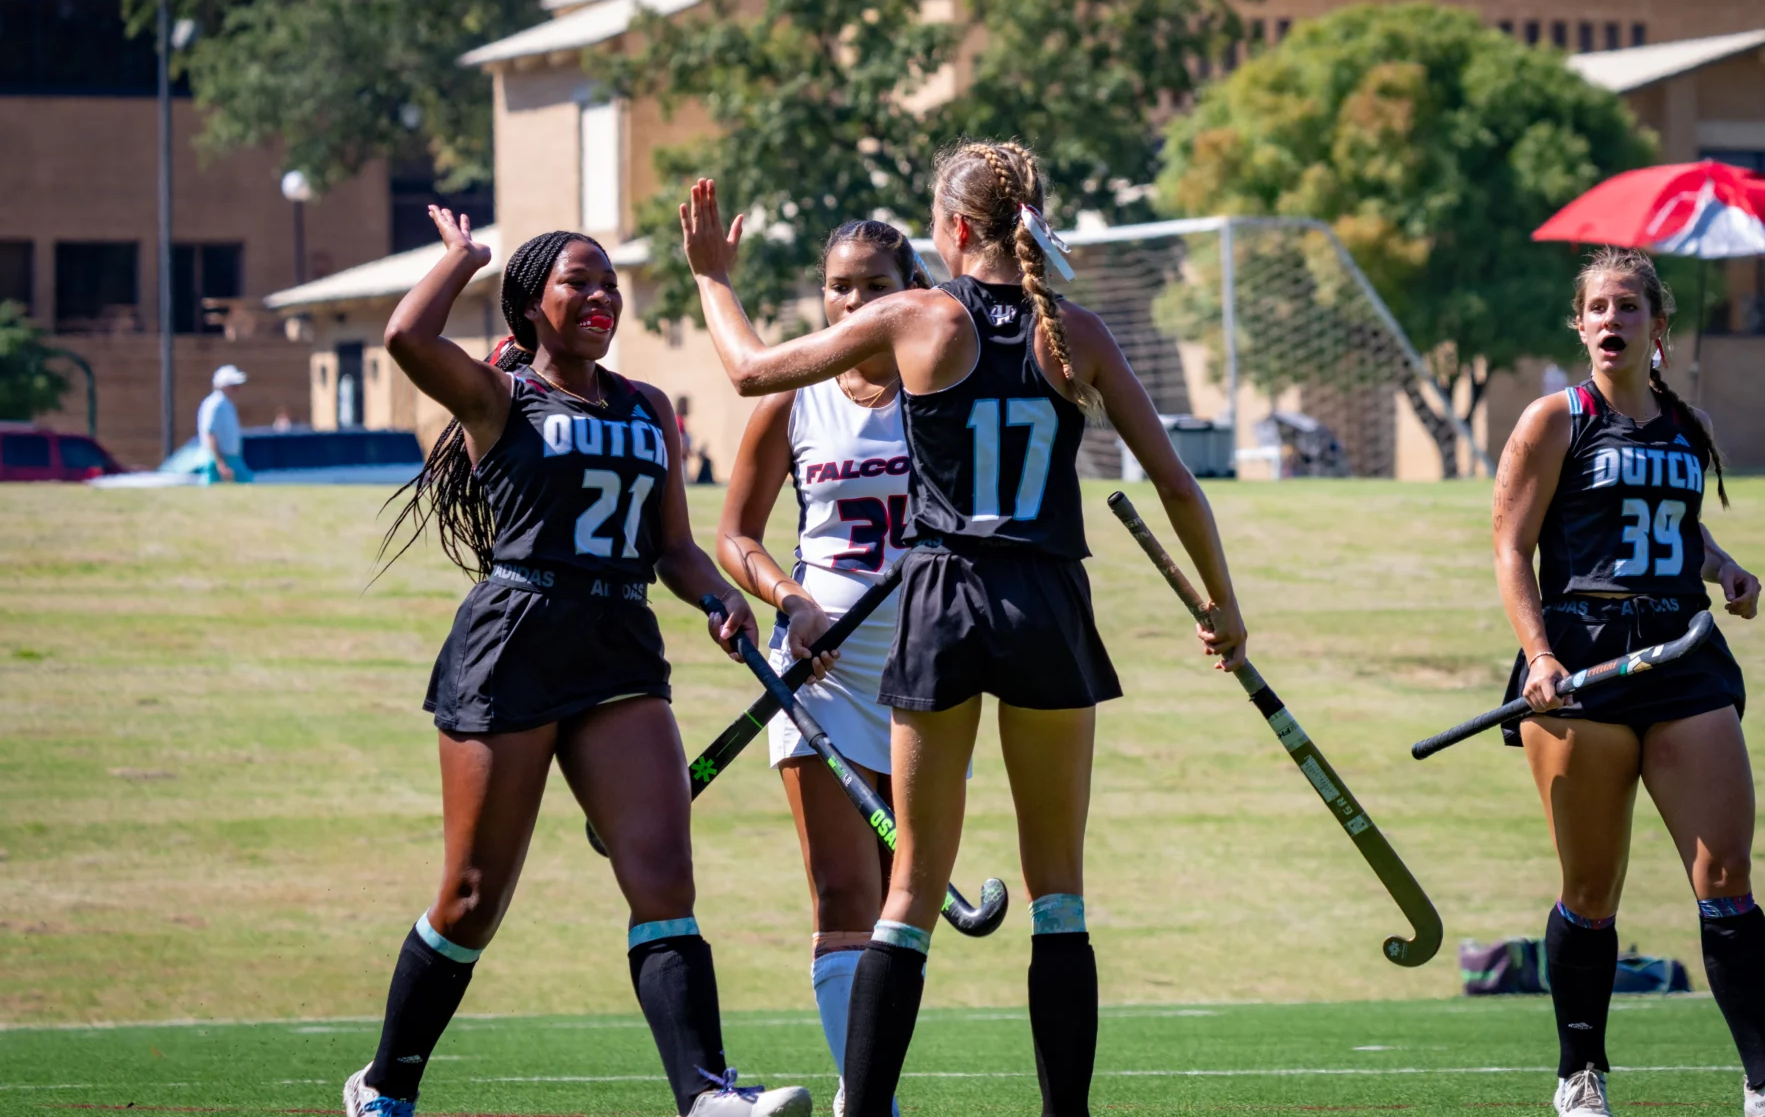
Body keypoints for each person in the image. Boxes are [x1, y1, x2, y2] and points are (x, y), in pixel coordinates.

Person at [677, 141, 1248, 1117]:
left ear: (951, 230)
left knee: (908, 894)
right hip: (1047, 600)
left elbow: (744, 372)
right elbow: (1176, 481)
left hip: (940, 599)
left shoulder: (915, 316)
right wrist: (1221, 604)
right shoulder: (1080, 333)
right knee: (1057, 889)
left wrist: (712, 281)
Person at [345, 207, 810, 1117]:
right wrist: (467, 260)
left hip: (618, 648)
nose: (602, 297)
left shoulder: (647, 408)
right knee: (473, 897)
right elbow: (405, 336)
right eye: (578, 283)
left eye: (610, 284)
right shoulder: (497, 397)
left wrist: (719, 597)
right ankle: (385, 1087)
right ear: (529, 307)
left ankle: (708, 1094)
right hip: (515, 640)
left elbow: (672, 545)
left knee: (663, 874)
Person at [1493, 247, 1765, 1117]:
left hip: (1682, 653)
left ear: (1658, 325)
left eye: (1628, 307)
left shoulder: (1688, 425)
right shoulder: (1554, 419)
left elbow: (1678, 533)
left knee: (1725, 870)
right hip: (1582, 661)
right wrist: (1539, 657)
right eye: (1597, 308)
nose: (1612, 320)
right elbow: (1510, 550)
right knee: (1591, 888)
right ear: (1580, 325)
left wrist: (1727, 569)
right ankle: (1581, 1076)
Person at [715, 219, 928, 1116]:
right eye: (838, 286)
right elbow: (734, 534)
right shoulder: (795, 394)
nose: (852, 302)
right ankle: (862, 1102)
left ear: (911, 286)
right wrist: (786, 599)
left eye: (873, 284)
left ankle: (864, 1089)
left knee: (896, 905)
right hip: (820, 677)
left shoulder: (940, 384)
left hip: (923, 674)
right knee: (844, 892)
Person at [196, 364, 253, 483]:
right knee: (209, 491)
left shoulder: (227, 404)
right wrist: (220, 462)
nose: (236, 389)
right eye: (233, 385)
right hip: (218, 457)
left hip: (232, 457)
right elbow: (210, 433)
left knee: (247, 484)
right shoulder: (215, 404)